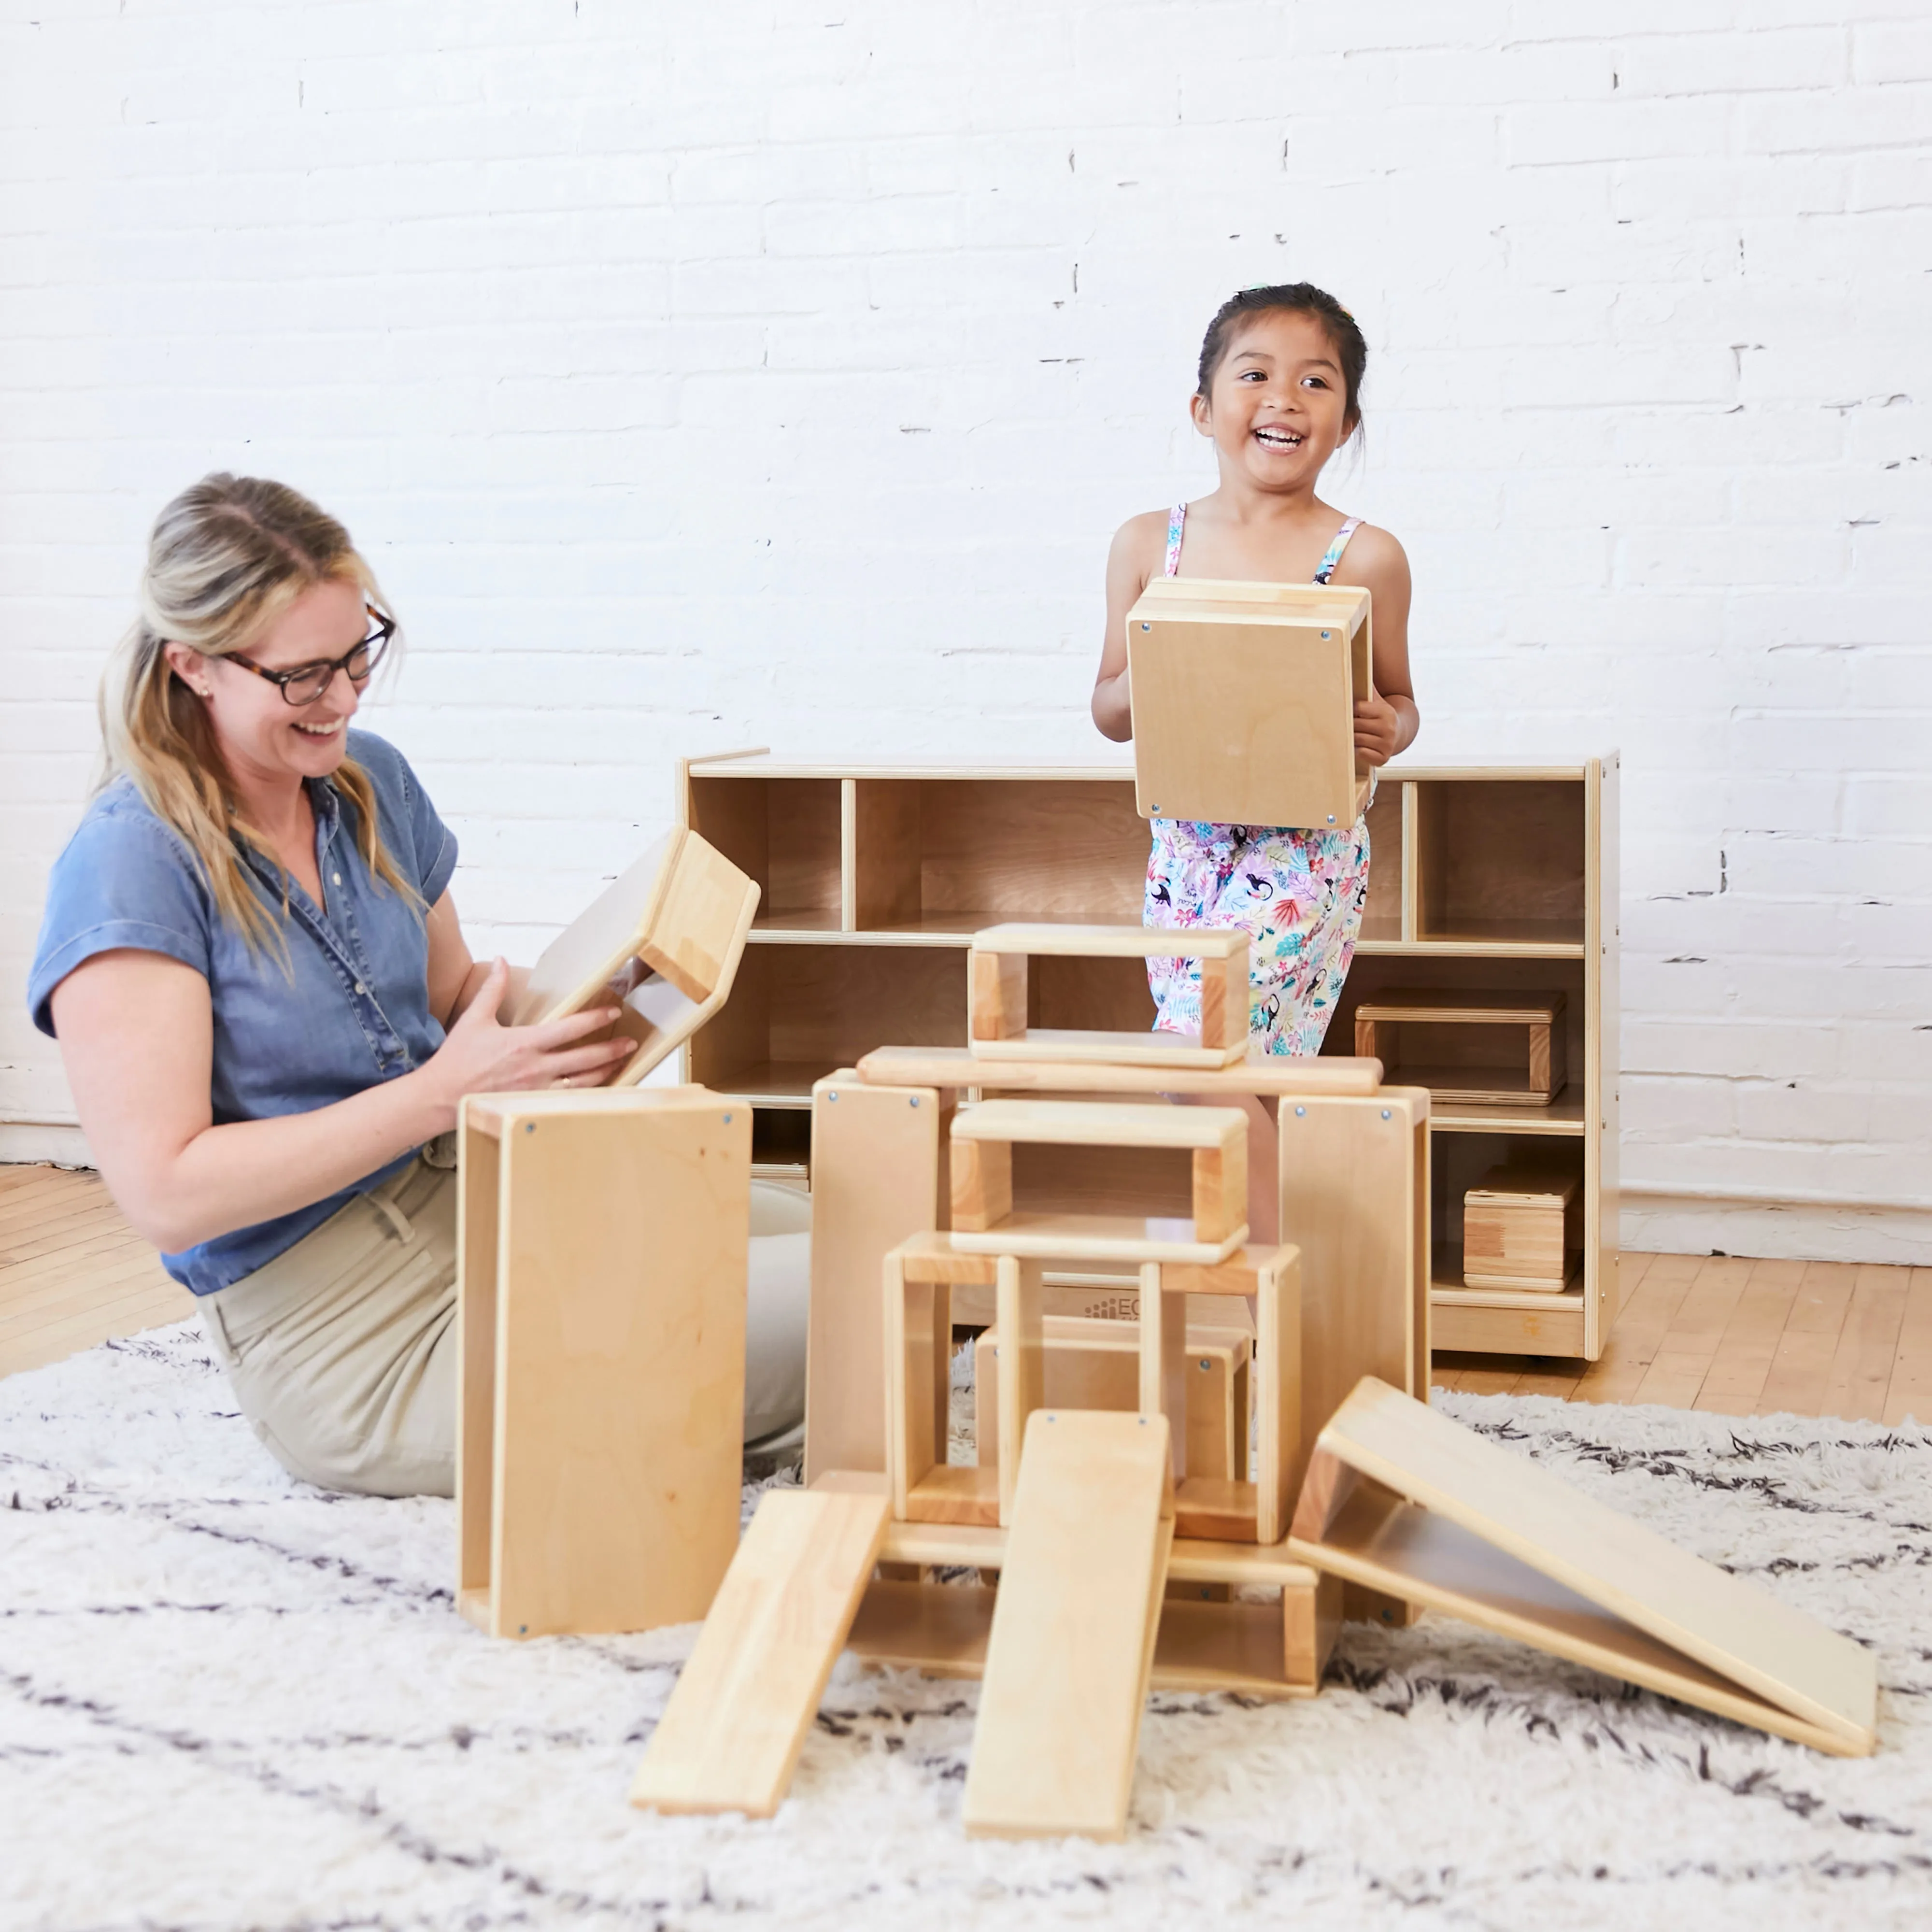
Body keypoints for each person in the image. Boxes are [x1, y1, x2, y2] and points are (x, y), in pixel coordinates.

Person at [28, 474, 807, 1497]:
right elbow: (165, 1192)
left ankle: (709, 1414)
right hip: (348, 1329)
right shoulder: (131, 861)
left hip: (489, 1196)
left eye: (360, 652)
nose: (345, 699)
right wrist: (442, 1094)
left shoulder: (367, 781)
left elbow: (457, 997)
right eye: (305, 675)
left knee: (865, 1220)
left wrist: (620, 999)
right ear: (194, 667)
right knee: (859, 1296)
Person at [1091, 283, 1421, 1238]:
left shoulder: (1366, 557)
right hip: (1184, 855)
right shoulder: (1150, 544)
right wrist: (1166, 672)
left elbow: (1399, 704)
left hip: (1304, 856)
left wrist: (1383, 730)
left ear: (1344, 422)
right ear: (1203, 408)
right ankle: (1227, 1283)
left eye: (1314, 382)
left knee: (1193, 1056)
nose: (1283, 397)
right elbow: (1110, 708)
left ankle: (1264, 1287)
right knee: (1233, 1074)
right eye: (1255, 374)